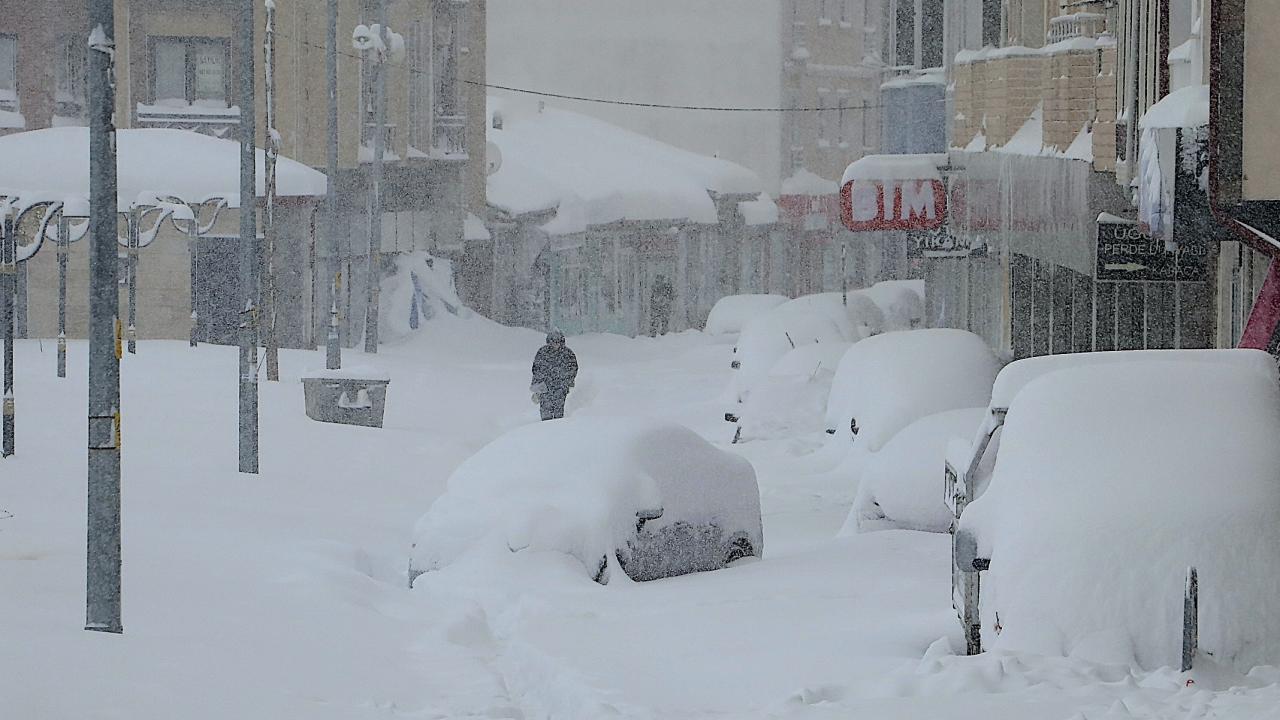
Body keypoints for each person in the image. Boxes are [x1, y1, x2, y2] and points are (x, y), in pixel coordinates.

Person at [531, 330, 578, 420]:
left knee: (558, 413)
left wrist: (567, 380)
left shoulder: (567, 353)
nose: (555, 344)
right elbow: (536, 369)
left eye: (558, 341)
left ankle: (557, 429)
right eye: (553, 341)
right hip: (545, 387)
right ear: (549, 342)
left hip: (561, 387)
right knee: (546, 413)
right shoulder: (542, 352)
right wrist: (537, 385)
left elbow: (574, 368)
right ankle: (546, 428)